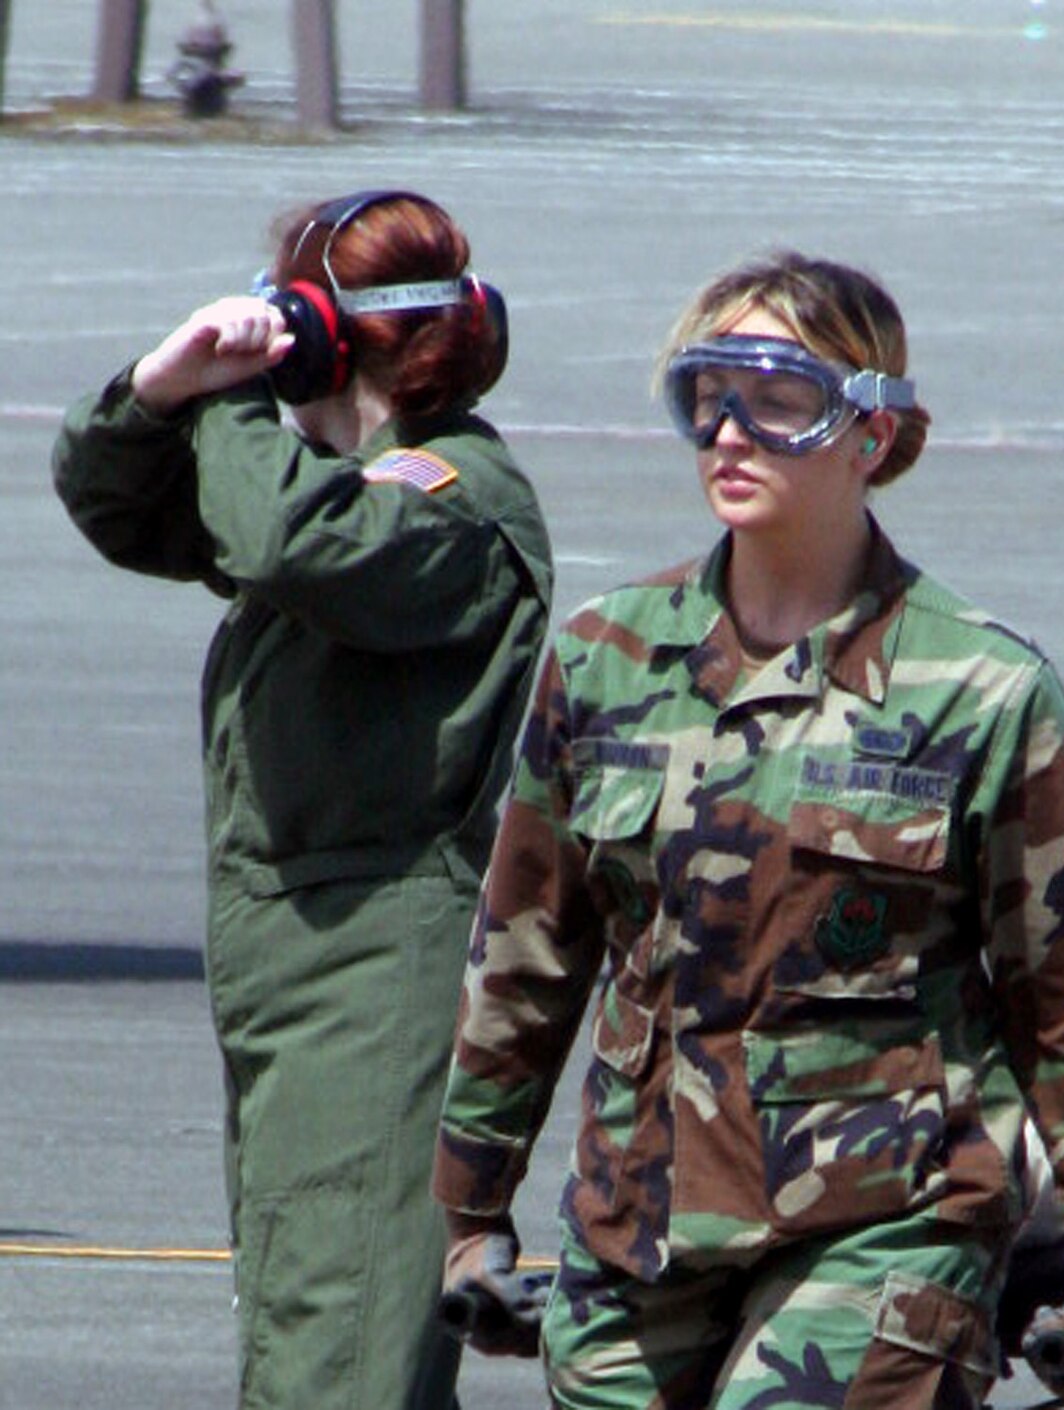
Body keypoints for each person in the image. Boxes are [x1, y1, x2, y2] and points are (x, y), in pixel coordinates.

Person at [432, 250, 1064, 1407]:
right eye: (704, 397)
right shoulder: (604, 658)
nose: (730, 433)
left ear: (870, 434)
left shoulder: (979, 690)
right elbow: (525, 956)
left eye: (778, 401)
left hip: (883, 1224)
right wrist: (471, 1211)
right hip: (643, 1220)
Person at [51, 190, 553, 1409]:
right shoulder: (342, 481)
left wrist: (230, 395)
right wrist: (158, 393)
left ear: (327, 336)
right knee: (302, 1325)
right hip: (297, 953)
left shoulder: (452, 499)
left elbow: (289, 543)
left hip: (374, 966)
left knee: (345, 1355)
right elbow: (123, 503)